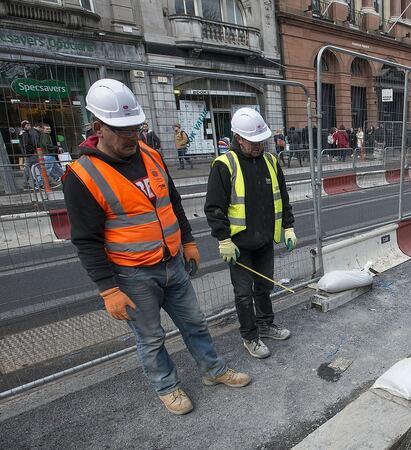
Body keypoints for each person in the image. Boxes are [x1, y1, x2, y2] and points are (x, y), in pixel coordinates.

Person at [63, 79, 250, 415]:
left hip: (172, 262)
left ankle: (214, 370)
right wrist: (108, 290)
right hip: (132, 275)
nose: (131, 137)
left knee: (195, 323)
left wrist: (189, 242)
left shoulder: (149, 154)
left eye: (135, 128)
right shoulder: (83, 175)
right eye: (121, 130)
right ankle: (167, 387)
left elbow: (172, 202)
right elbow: (86, 241)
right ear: (97, 127)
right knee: (151, 339)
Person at [204, 107, 296, 359]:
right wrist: (223, 239)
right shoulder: (224, 165)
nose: (258, 146)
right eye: (253, 142)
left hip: (265, 239)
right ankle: (250, 336)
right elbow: (214, 208)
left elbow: (283, 199)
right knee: (243, 294)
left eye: (261, 141)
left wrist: (288, 227)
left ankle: (266, 324)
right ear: (238, 138)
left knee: (264, 286)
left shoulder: (270, 162)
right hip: (239, 244)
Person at [19, 120, 39, 189]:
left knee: (27, 169)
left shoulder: (23, 133)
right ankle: (40, 183)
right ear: (24, 127)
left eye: (29, 125)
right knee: (40, 166)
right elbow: (26, 145)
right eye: (27, 125)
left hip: (27, 154)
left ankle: (26, 184)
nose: (29, 126)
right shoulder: (25, 134)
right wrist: (33, 151)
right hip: (30, 154)